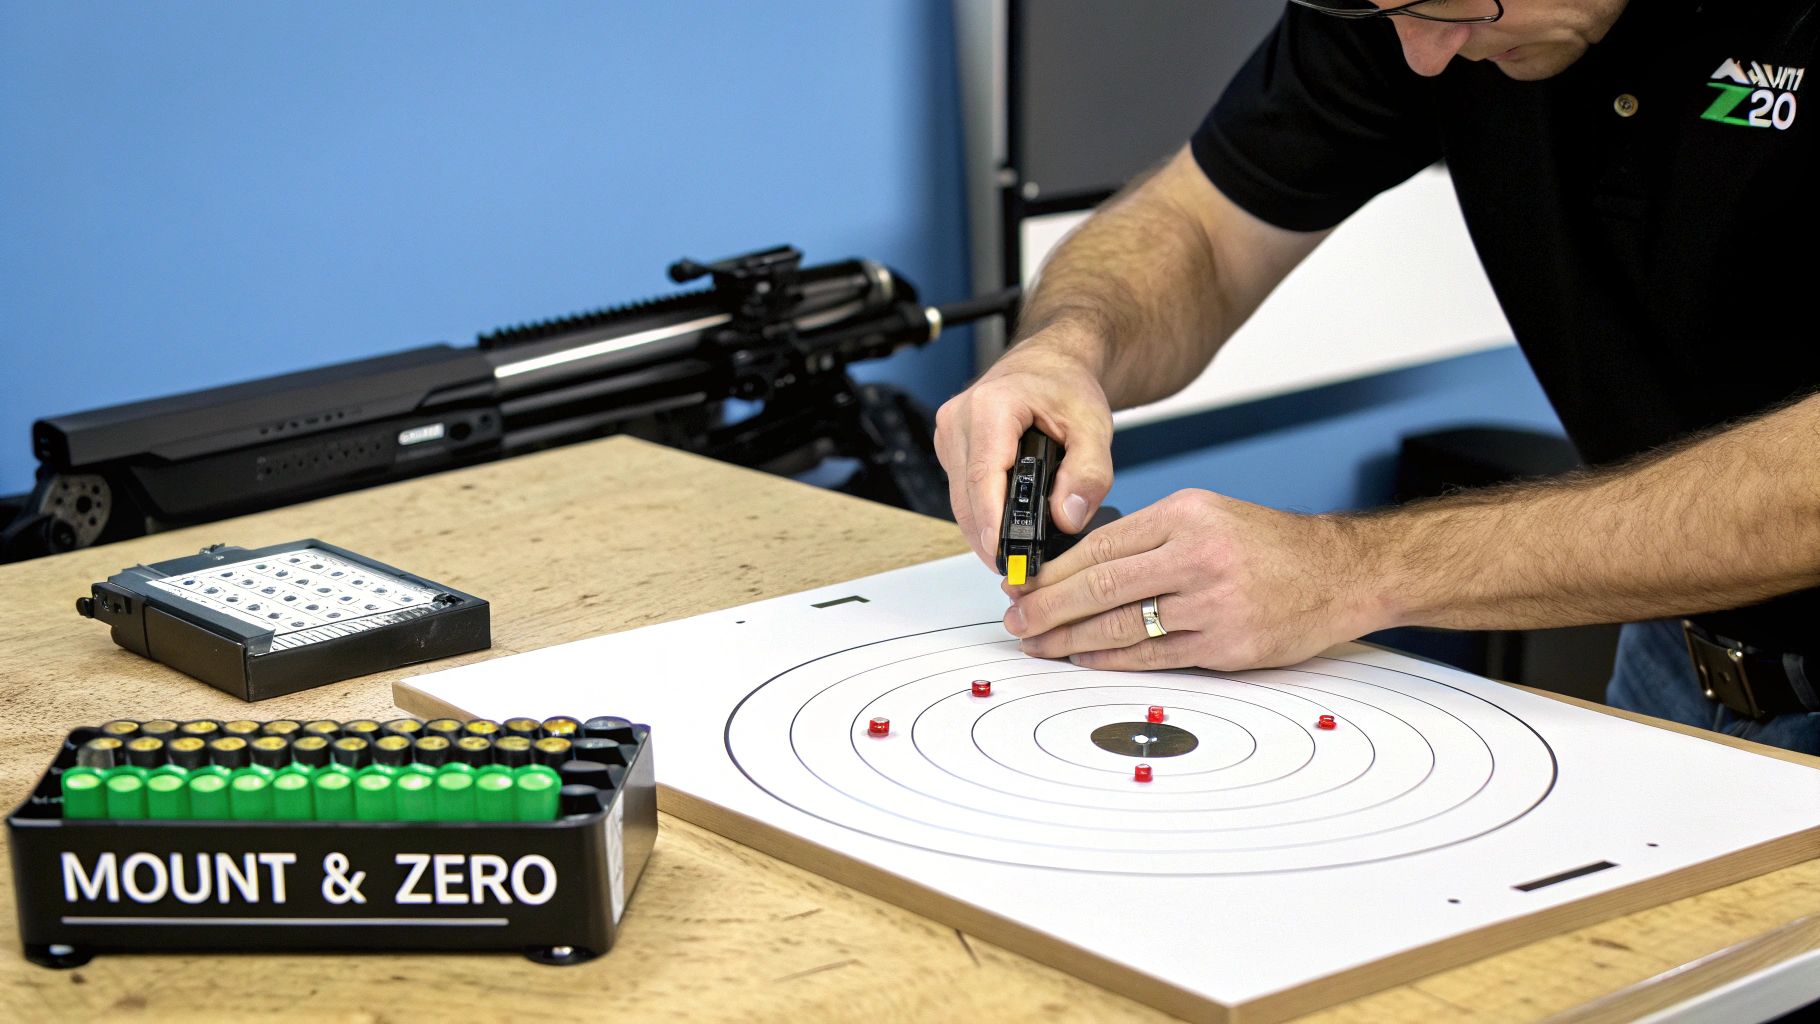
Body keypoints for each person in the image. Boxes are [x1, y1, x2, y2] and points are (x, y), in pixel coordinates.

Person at [933, 0, 1820, 753]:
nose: (1423, 55)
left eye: (1452, 5)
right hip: (1680, 653)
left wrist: (1348, 570)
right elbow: (1201, 226)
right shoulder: (1406, 10)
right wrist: (1066, 344)